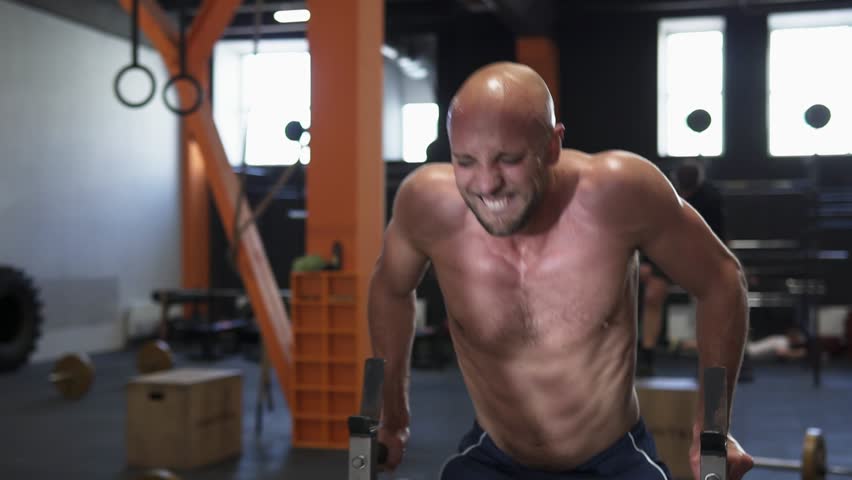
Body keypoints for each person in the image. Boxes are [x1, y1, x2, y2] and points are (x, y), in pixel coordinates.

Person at [367, 62, 753, 480]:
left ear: (552, 146)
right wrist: (390, 416)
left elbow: (721, 282)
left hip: (612, 461)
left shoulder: (618, 193)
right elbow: (389, 289)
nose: (485, 184)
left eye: (508, 160)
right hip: (493, 455)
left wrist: (714, 426)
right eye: (465, 161)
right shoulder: (426, 206)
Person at [636, 159, 727, 377]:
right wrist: (647, 262)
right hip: (669, 254)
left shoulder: (712, 199)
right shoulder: (665, 193)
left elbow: (719, 237)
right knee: (652, 295)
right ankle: (646, 355)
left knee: (711, 299)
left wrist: (718, 266)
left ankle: (711, 361)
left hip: (701, 255)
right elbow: (653, 229)